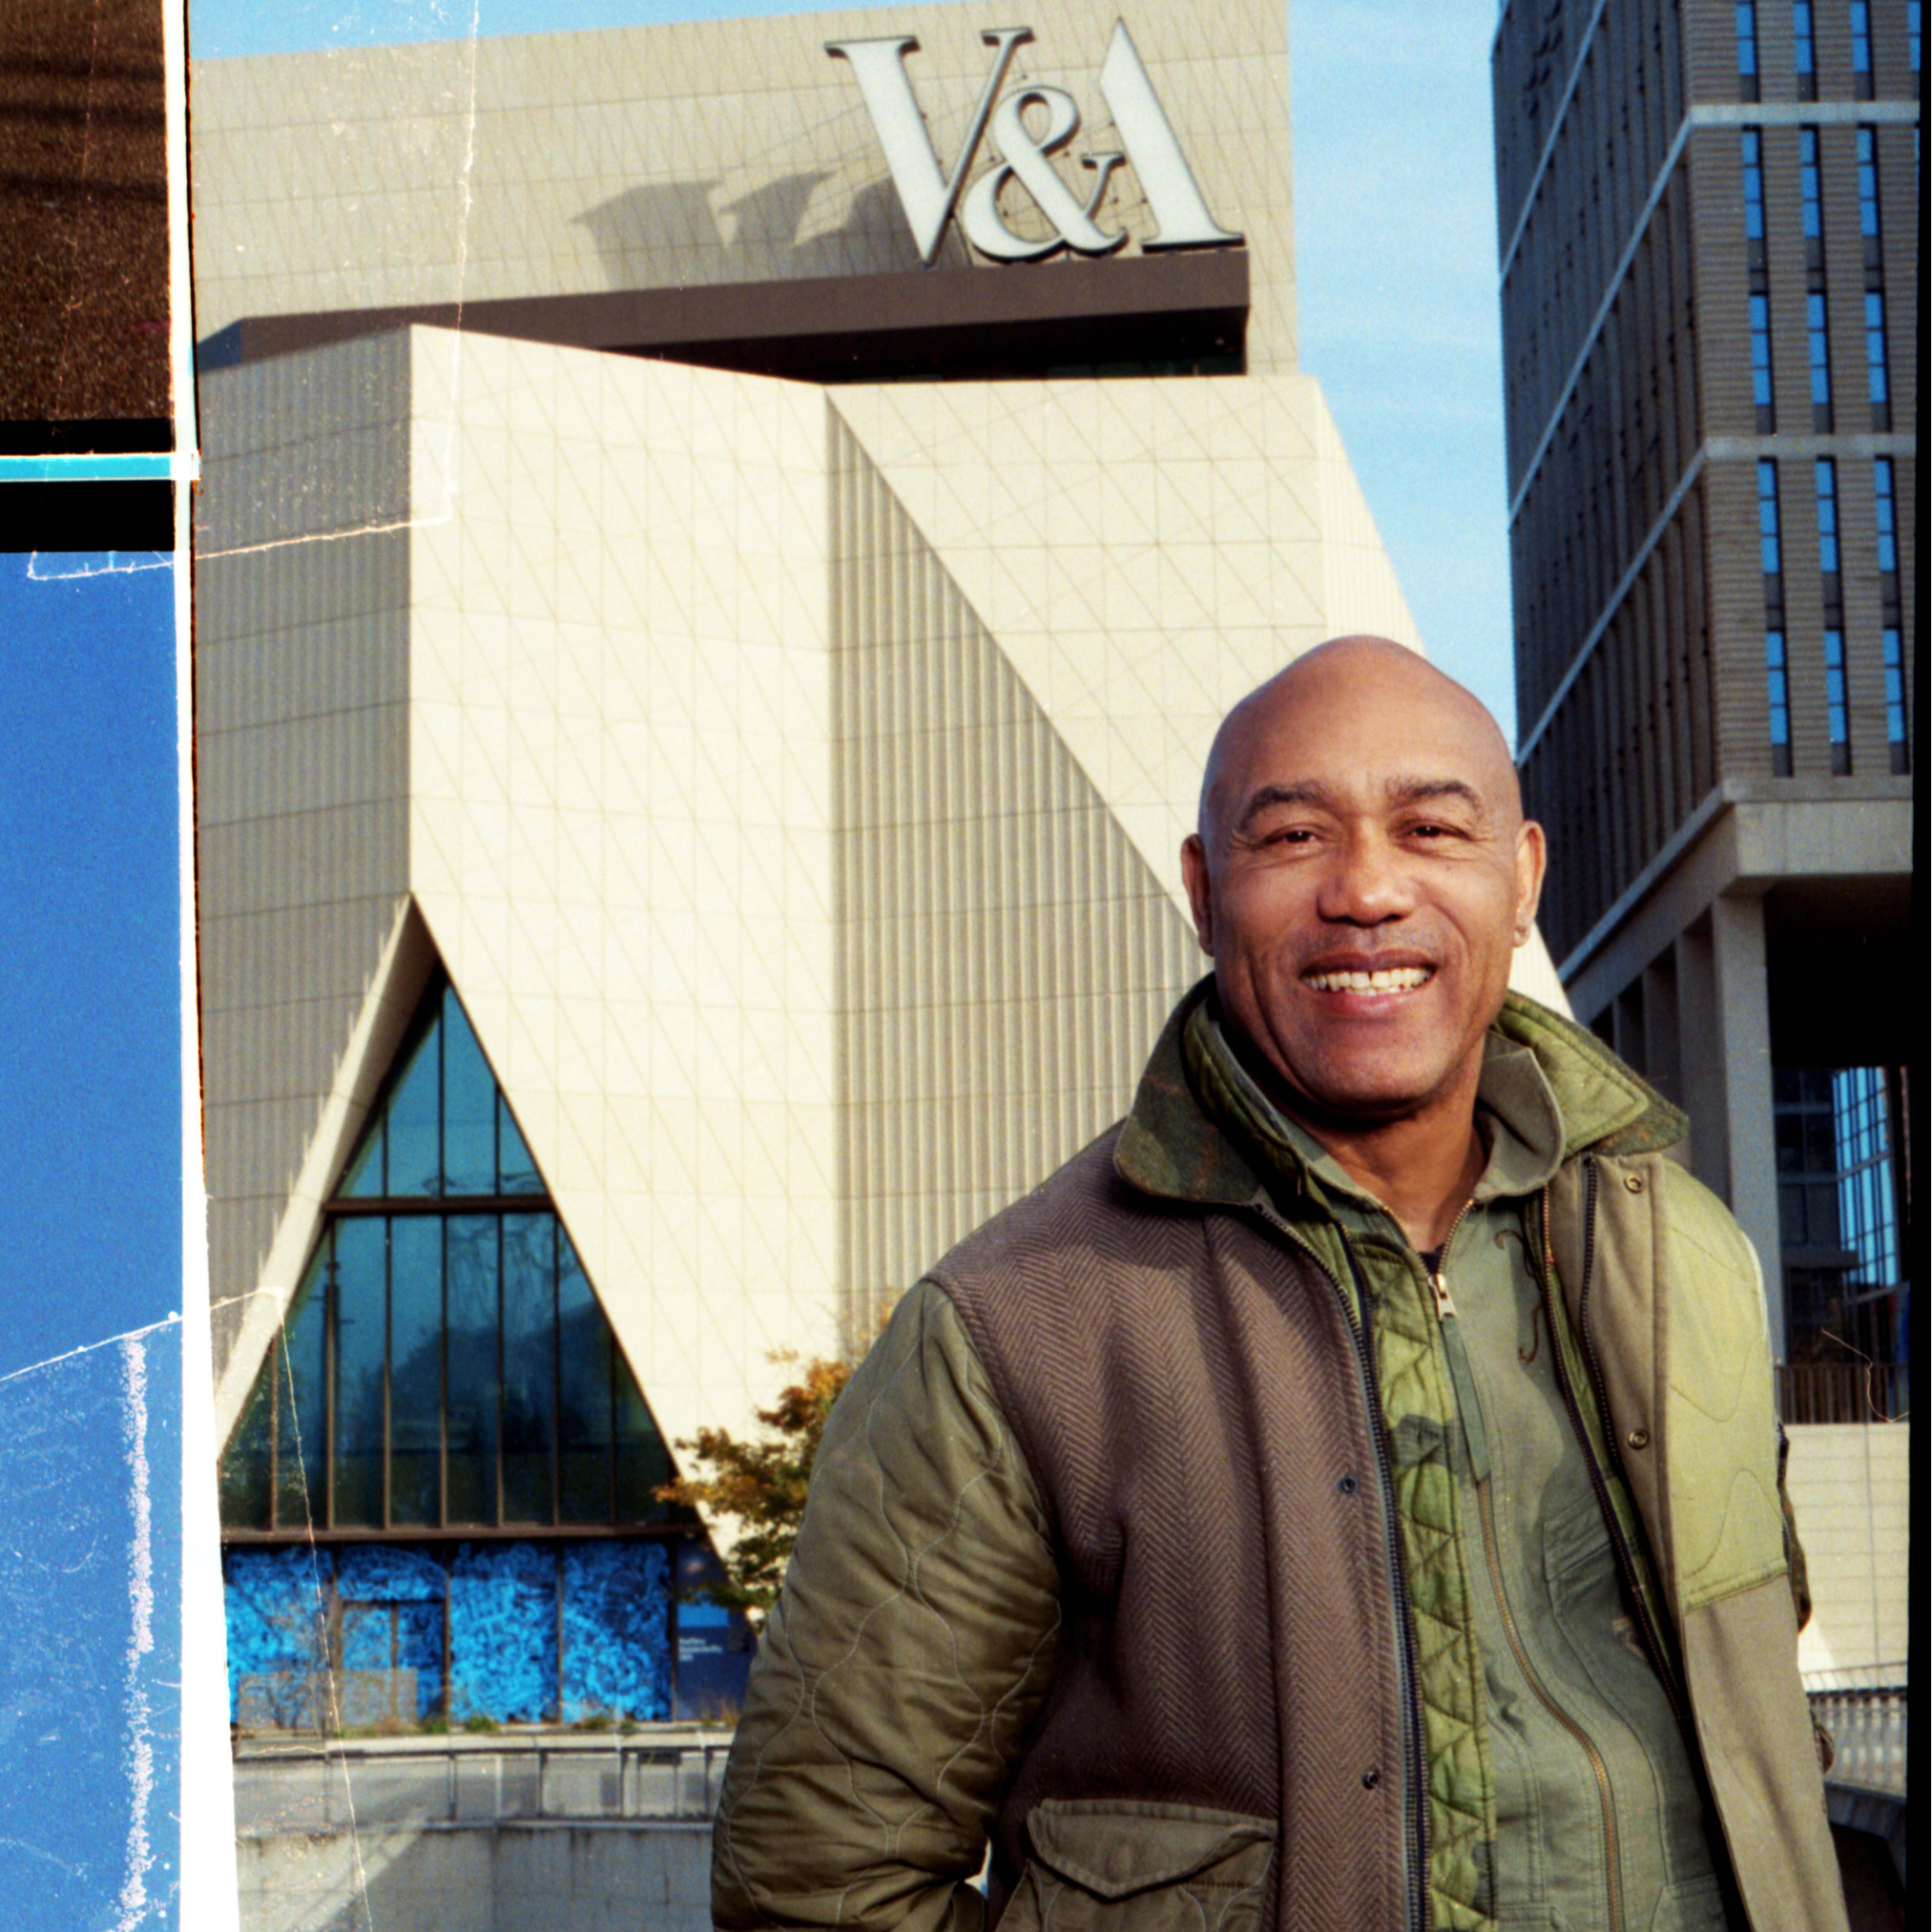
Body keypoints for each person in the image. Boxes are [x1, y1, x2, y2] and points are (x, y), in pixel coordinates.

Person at [710, 636, 1846, 1932]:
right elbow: (817, 1887)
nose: (1367, 891)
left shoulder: (1685, 1253)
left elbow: (1760, 1720)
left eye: (1431, 828)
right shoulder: (1016, 1331)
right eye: (1295, 837)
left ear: (1520, 876)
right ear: (1205, 889)